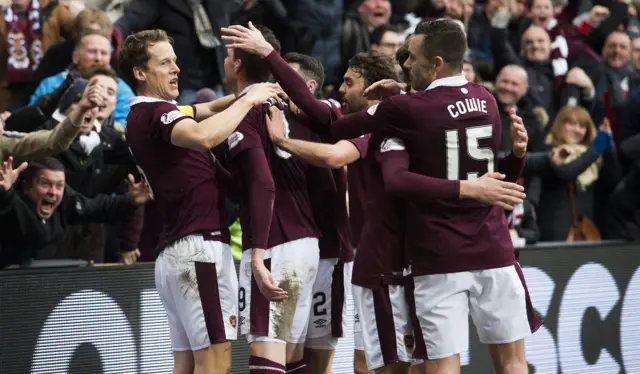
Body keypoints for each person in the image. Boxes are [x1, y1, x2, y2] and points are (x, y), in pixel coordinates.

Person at [323, 19, 541, 374]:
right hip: (493, 247)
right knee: (514, 363)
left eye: (413, 57)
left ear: (436, 62)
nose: (406, 64)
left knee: (440, 367)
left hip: (438, 255)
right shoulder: (487, 99)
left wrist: (394, 99)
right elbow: (499, 183)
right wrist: (517, 156)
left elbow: (338, 130)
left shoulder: (408, 108)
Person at [118, 29, 280, 374]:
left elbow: (202, 109)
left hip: (175, 254)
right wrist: (249, 101)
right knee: (214, 360)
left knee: (187, 363)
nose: (176, 69)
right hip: (199, 249)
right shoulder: (157, 112)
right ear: (140, 73)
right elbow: (202, 134)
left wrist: (240, 95)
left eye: (175, 61)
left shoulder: (142, 116)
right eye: (164, 63)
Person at [222, 23, 356, 374]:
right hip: (307, 247)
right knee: (294, 360)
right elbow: (241, 186)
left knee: (268, 361)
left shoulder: (254, 112)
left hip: (277, 245)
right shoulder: (300, 114)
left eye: (227, 55)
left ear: (237, 65)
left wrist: (258, 254)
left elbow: (261, 184)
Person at [0, 156, 151, 269]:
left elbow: (96, 208)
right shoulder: (7, 201)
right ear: (27, 187)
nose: (53, 192)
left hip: (34, 284)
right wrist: (5, 195)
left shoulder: (65, 199)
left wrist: (130, 200)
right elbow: (36, 233)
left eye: (59, 186)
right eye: (45, 184)